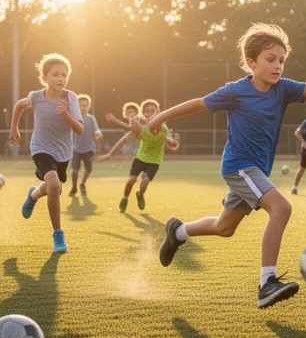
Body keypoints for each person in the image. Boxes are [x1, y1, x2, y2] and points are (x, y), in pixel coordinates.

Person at [149, 23, 306, 308]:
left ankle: (178, 232)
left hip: (256, 170)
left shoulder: (282, 89)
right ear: (251, 62)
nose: (278, 66)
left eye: (282, 60)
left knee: (224, 227)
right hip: (239, 166)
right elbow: (197, 103)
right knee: (282, 207)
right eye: (271, 60)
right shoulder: (235, 91)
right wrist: (160, 118)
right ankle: (266, 283)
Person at [10, 54, 85, 253]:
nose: (61, 78)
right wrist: (14, 129)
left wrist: (66, 113)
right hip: (40, 147)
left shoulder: (70, 98)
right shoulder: (36, 97)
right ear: (45, 78)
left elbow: (79, 130)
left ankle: (33, 194)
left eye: (64, 75)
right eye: (56, 74)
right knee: (53, 185)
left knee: (55, 189)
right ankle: (58, 235)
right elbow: (19, 106)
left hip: (63, 152)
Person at [98, 99, 180, 212]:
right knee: (131, 180)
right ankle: (125, 198)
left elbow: (171, 142)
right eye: (147, 111)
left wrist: (174, 141)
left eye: (153, 111)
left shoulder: (163, 127)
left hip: (154, 160)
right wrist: (109, 154)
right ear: (143, 113)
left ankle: (140, 194)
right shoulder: (142, 129)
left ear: (157, 113)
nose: (150, 113)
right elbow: (123, 140)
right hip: (140, 158)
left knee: (145, 181)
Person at [69, 94, 103, 198]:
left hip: (89, 149)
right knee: (75, 171)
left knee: (89, 168)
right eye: (81, 105)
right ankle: (74, 187)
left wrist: (98, 133)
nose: (83, 108)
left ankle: (82, 184)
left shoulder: (91, 118)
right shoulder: (74, 118)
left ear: (89, 106)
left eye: (85, 105)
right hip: (76, 149)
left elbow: (96, 129)